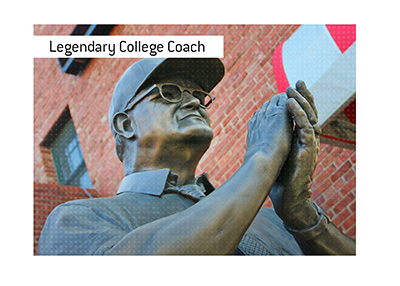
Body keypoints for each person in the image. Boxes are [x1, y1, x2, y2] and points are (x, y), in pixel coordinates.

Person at [38, 58, 355, 255]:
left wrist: (302, 216)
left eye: (199, 95)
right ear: (125, 124)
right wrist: (260, 160)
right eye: (170, 92)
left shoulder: (273, 219)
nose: (194, 102)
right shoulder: (77, 219)